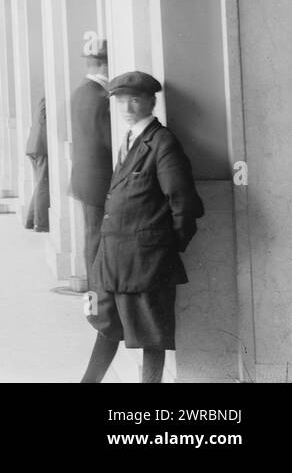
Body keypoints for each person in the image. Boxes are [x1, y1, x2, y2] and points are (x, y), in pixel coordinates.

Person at [80, 71, 204, 384]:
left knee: (150, 335)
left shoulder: (162, 143)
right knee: (106, 322)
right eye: (121, 100)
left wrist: (163, 248)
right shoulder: (130, 138)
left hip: (146, 262)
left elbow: (184, 203)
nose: (127, 106)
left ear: (150, 102)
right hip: (116, 259)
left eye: (135, 99)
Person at [70, 40, 112, 267]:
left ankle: (94, 294)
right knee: (97, 236)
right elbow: (109, 140)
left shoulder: (81, 92)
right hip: (100, 179)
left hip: (86, 177)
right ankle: (97, 295)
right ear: (105, 65)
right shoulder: (101, 97)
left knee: (92, 233)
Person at [24, 96, 49, 233]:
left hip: (35, 147)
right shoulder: (48, 101)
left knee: (41, 184)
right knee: (43, 185)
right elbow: (44, 123)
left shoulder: (43, 100)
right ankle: (41, 223)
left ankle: (31, 220)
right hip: (41, 148)